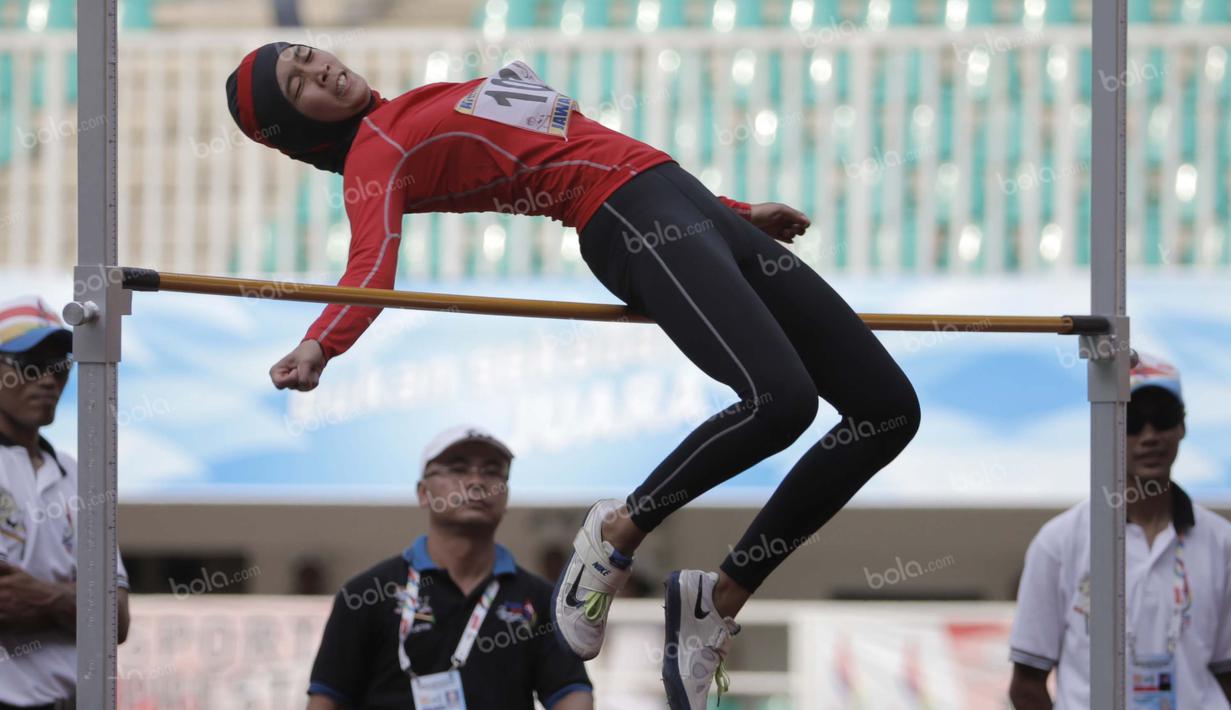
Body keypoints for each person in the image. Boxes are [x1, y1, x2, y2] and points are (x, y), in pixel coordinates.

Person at [227, 42, 920, 709]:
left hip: (686, 203)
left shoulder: (410, 107)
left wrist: (735, 214)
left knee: (886, 411)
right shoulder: (375, 154)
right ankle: (617, 531)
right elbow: (371, 264)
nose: (320, 71)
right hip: (626, 219)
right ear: (295, 129)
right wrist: (323, 342)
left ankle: (719, 600)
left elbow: (580, 136)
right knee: (779, 402)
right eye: (298, 86)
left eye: (306, 56)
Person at [306, 425, 592, 710]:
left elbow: (571, 693)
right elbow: (327, 698)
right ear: (423, 493)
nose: (477, 482)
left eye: (492, 471)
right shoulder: (366, 594)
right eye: (457, 469)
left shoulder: (540, 599)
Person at [1008, 354, 1231, 709]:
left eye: (1163, 419)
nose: (1149, 436)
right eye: (1132, 421)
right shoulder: (1059, 542)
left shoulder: (1222, 542)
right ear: (1107, 426)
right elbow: (1026, 684)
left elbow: (1226, 673)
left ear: (1183, 426)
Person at [0, 296, 131, 710]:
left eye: (59, 366)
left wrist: (43, 597)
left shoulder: (81, 473)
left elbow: (117, 619)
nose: (48, 380)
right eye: (30, 364)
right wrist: (78, 601)